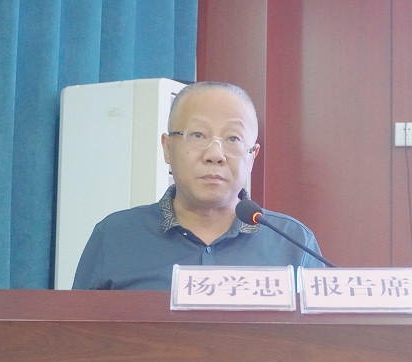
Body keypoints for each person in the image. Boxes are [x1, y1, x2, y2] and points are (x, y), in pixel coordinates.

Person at [72, 81, 327, 290]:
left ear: (252, 156)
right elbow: (75, 334)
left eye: (233, 138)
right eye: (197, 135)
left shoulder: (293, 243)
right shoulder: (115, 237)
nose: (215, 155)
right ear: (167, 148)